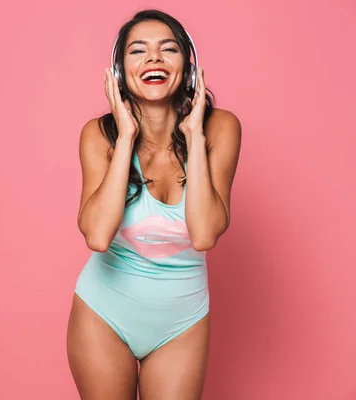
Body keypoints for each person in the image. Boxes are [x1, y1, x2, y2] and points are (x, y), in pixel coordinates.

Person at [66, 9, 242, 400]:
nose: (154, 59)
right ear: (119, 71)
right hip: (104, 314)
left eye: (169, 49)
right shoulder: (99, 135)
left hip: (181, 322)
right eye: (138, 51)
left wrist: (194, 133)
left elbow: (204, 233)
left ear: (188, 66)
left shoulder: (221, 128)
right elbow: (96, 235)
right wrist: (126, 134)